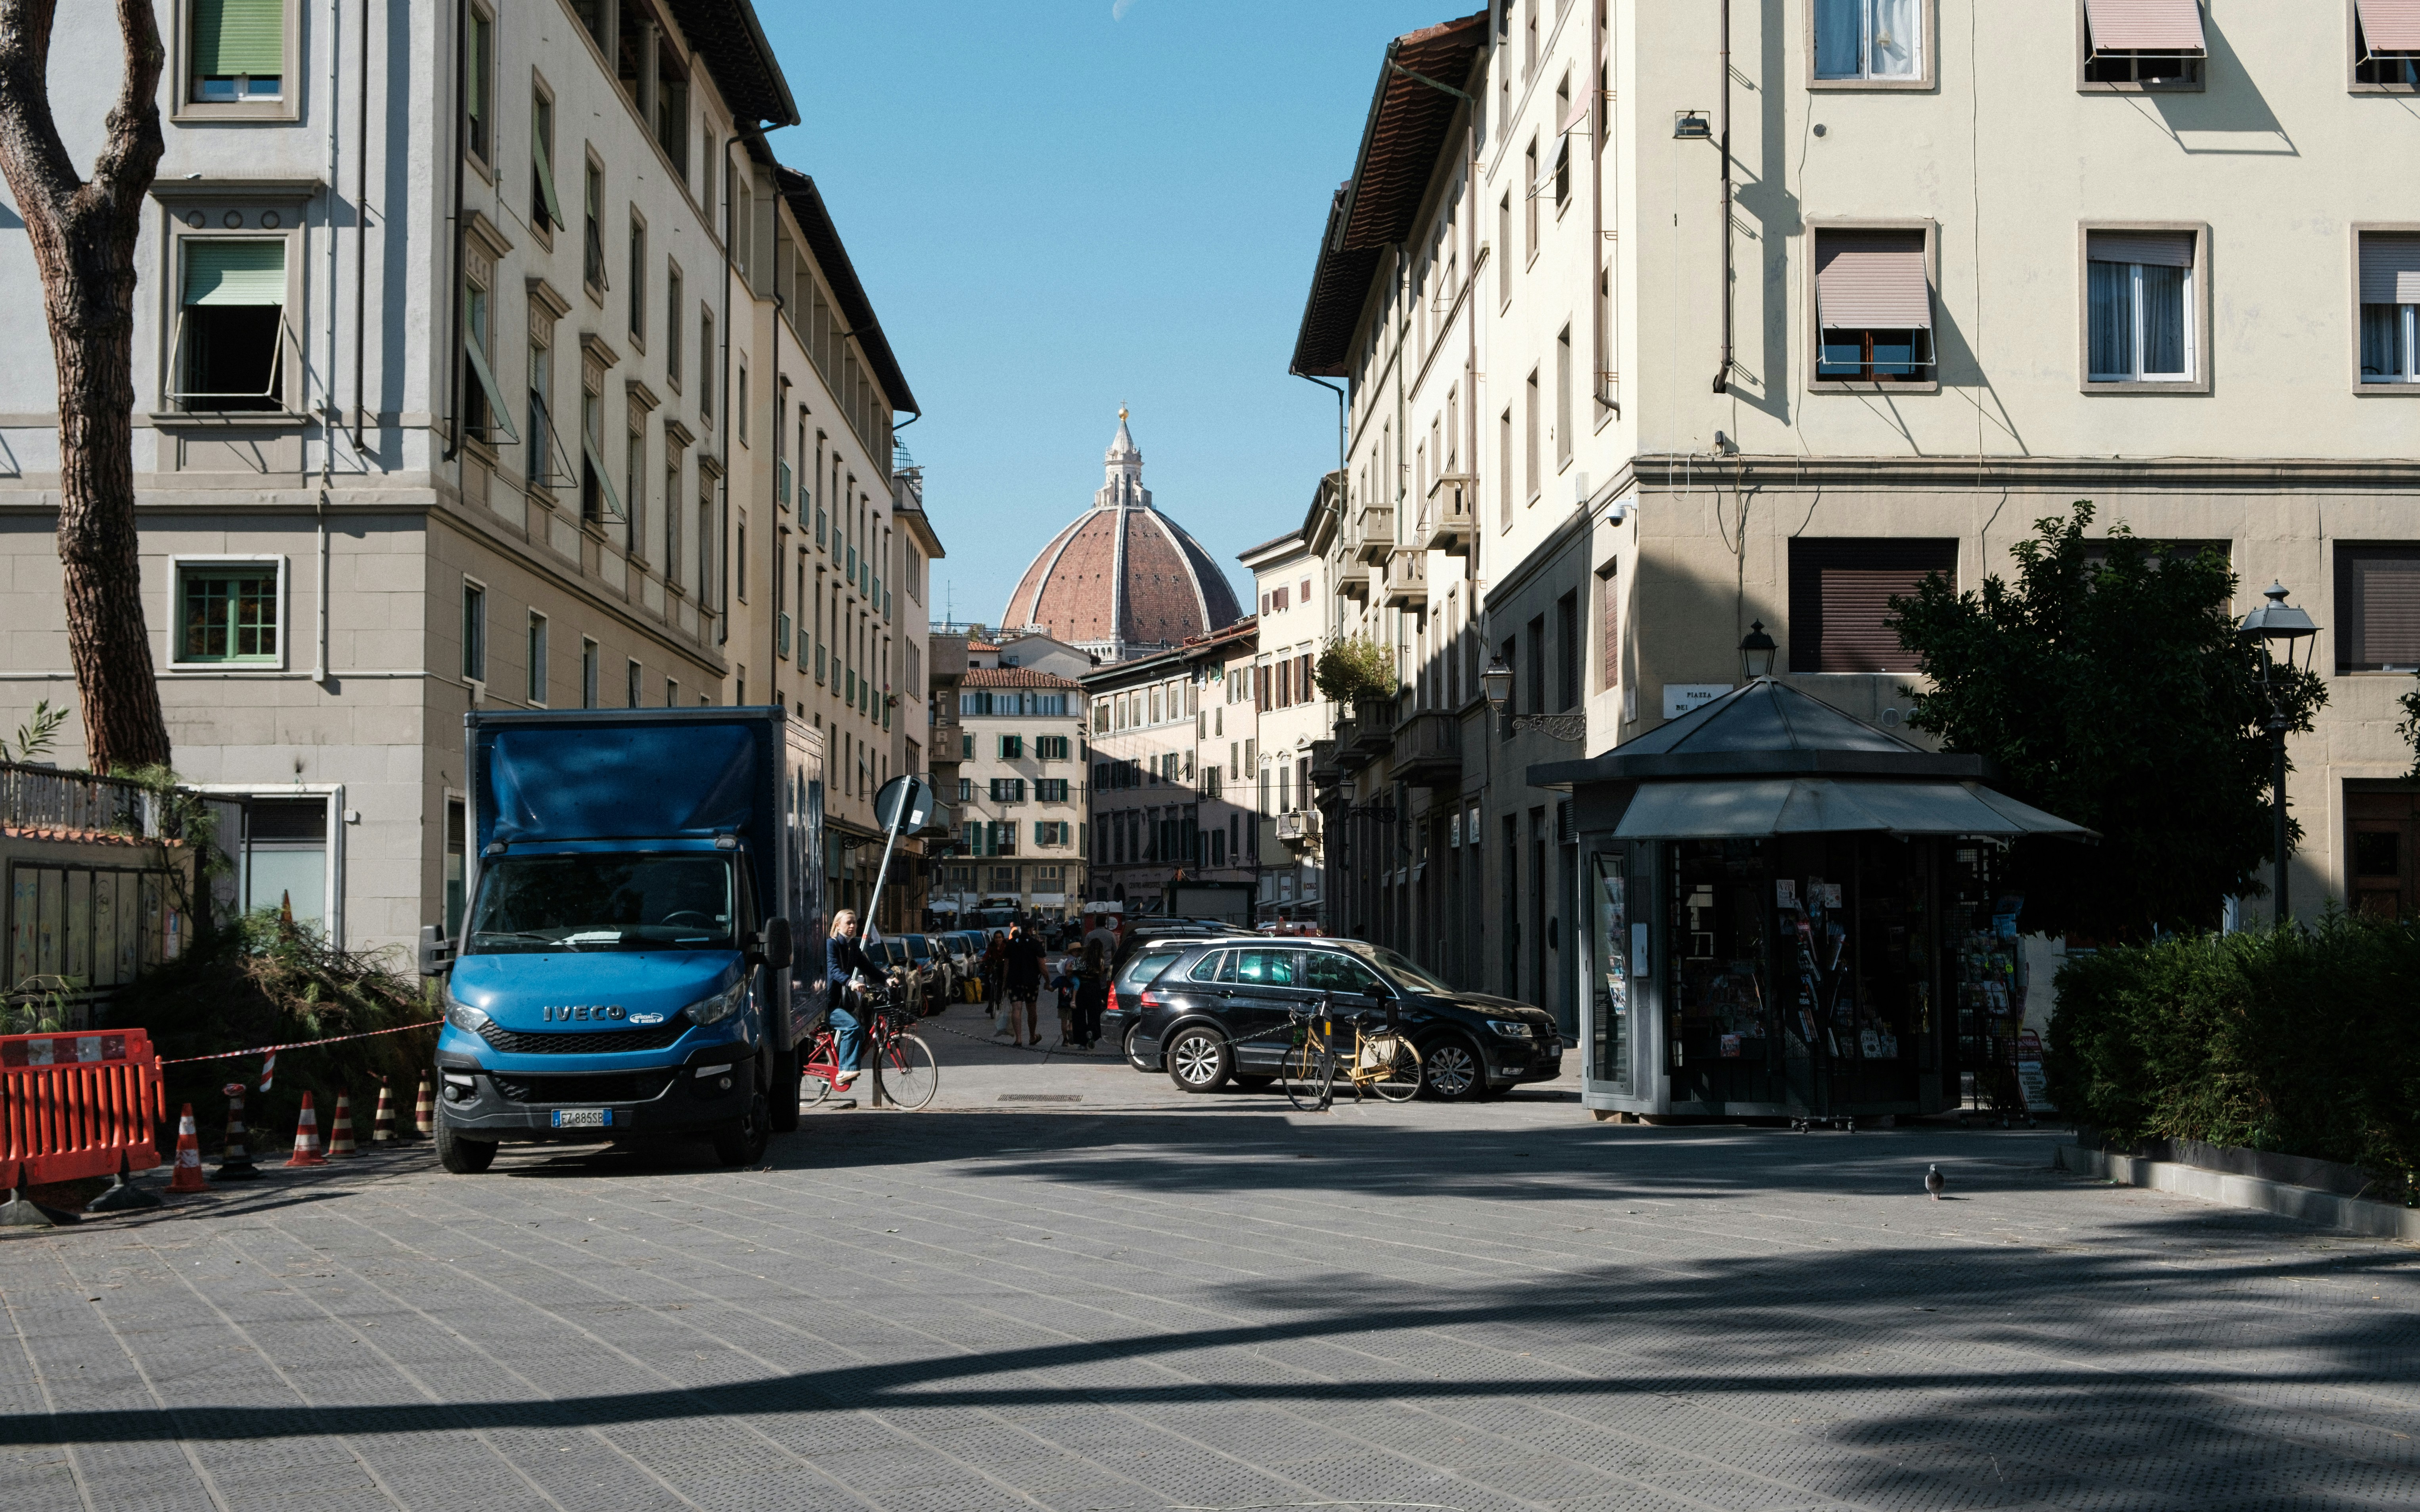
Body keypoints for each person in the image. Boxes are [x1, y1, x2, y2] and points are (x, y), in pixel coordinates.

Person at [825, 910, 871, 1093]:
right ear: (838, 925)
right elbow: (834, 970)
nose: (853, 927)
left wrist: (888, 979)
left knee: (859, 1028)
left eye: (855, 924)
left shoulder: (852, 947)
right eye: (849, 923)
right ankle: (845, 1070)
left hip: (840, 1003)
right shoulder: (832, 945)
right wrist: (851, 982)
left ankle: (849, 1067)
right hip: (827, 1004)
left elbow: (869, 968)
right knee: (853, 1027)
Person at [1003, 924, 1047, 1048]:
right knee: (1032, 1009)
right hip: (1031, 982)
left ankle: (1018, 1039)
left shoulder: (1011, 944)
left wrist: (1004, 983)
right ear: (1031, 929)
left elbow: (1006, 966)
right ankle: (1032, 1036)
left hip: (1014, 981)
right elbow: (1042, 965)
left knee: (1016, 1009)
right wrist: (1048, 981)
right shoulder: (1035, 944)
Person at [1076, 937, 1111, 1050]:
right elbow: (1100, 974)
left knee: (1080, 1015)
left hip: (1081, 987)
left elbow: (1075, 972)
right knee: (1094, 1013)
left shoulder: (1080, 960)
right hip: (1094, 988)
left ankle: (1082, 1041)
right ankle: (1091, 1031)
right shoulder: (1100, 961)